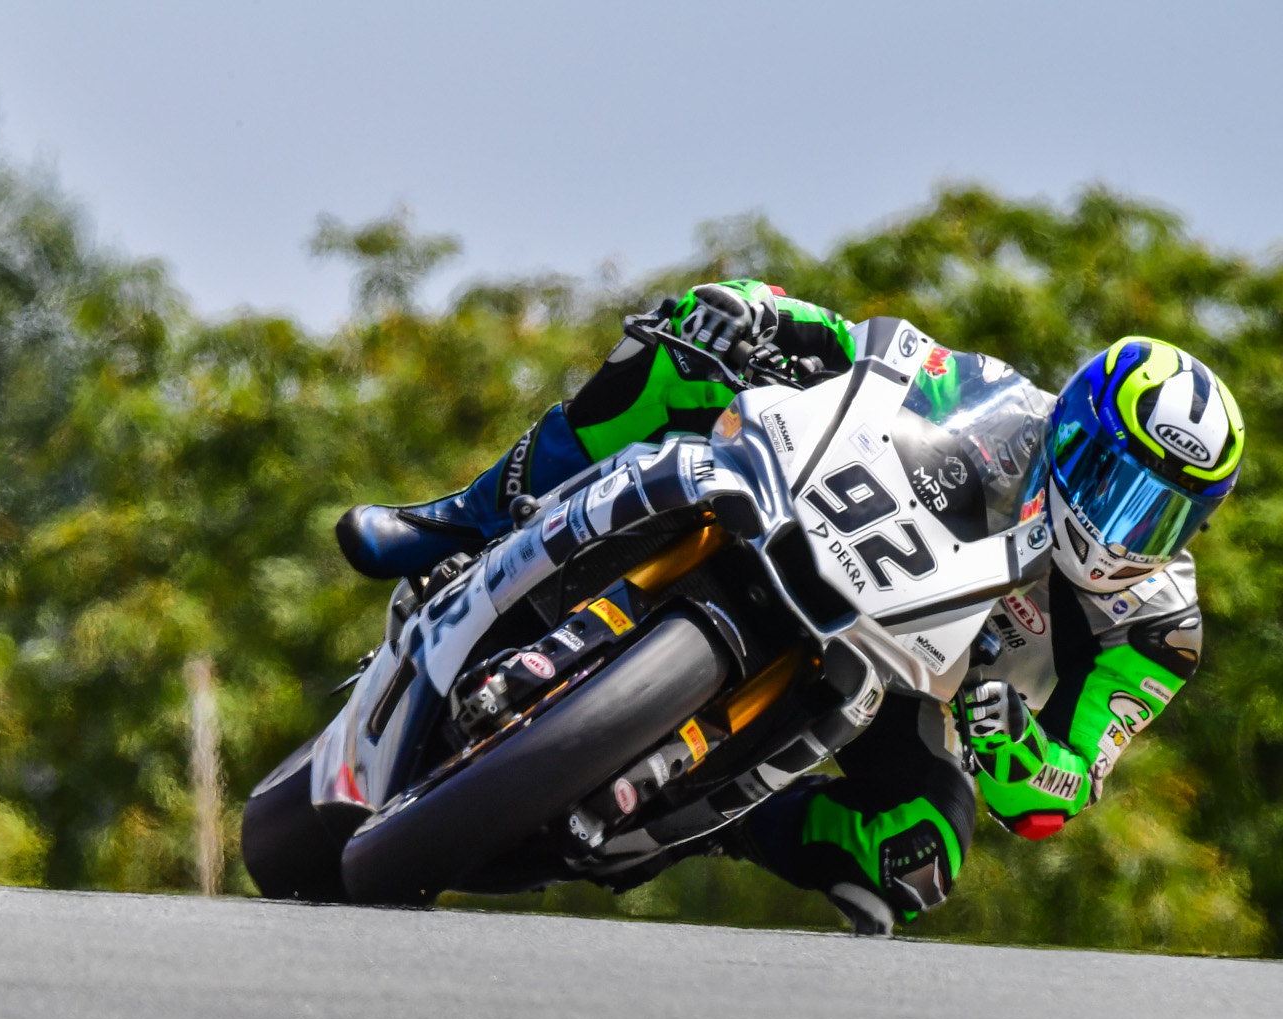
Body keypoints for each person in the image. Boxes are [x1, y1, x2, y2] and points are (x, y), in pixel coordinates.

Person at [337, 283, 1242, 935]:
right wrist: (764, 315)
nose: (1121, 525)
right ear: (1072, 426)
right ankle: (462, 516)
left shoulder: (1156, 629)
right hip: (818, 537)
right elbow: (874, 350)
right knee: (678, 348)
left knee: (919, 854)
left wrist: (1020, 749)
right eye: (1111, 481)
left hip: (915, 687)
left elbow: (1063, 789)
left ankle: (710, 818)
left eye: (1159, 512)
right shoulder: (1000, 404)